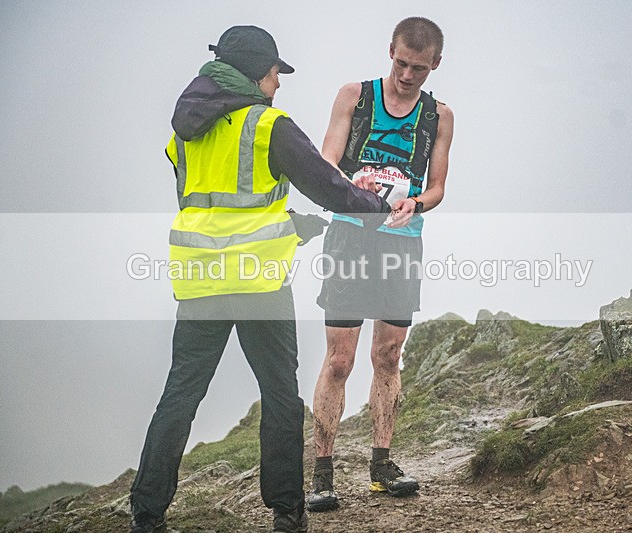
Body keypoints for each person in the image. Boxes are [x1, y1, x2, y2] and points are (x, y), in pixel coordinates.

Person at [128, 25, 390, 533]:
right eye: (275, 73)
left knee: (179, 396)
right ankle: (288, 514)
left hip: (200, 281)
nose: (278, 83)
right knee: (279, 395)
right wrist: (375, 206)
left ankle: (147, 513)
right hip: (259, 287)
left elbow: (213, 207)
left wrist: (293, 227)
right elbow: (327, 185)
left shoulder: (183, 134)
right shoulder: (270, 126)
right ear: (255, 73)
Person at [308, 17, 454, 512]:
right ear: (389, 50)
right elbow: (327, 160)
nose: (408, 75)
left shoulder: (440, 117)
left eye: (419, 68)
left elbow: (437, 187)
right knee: (340, 361)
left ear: (436, 64)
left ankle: (381, 465)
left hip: (401, 242)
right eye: (401, 63)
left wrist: (419, 202)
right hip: (349, 237)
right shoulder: (355, 96)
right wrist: (354, 187)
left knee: (388, 357)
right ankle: (322, 474)